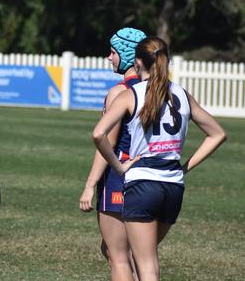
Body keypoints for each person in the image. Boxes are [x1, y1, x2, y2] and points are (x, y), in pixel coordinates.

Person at [92, 37, 226, 281]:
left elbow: (99, 134)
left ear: (137, 62)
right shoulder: (183, 94)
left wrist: (119, 166)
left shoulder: (131, 94)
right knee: (147, 260)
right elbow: (218, 134)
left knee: (146, 267)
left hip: (143, 183)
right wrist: (185, 167)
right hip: (173, 186)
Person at [79, 27, 147, 281]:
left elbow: (106, 142)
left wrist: (89, 185)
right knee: (137, 256)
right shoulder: (158, 90)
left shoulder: (120, 93)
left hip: (120, 179)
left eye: (113, 52)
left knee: (118, 256)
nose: (109, 57)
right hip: (151, 178)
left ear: (128, 55)